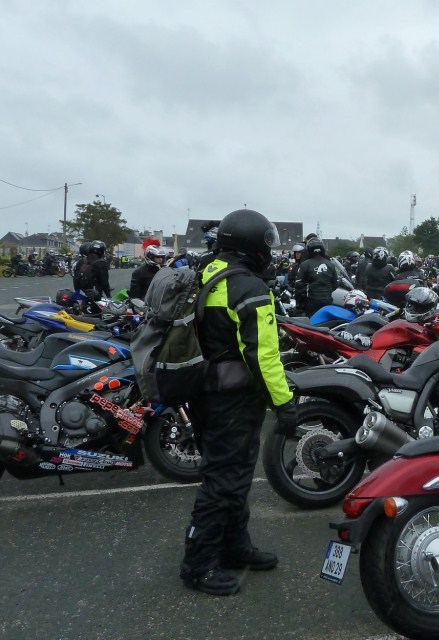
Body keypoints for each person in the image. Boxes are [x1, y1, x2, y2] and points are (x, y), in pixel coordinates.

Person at [180, 208, 294, 596]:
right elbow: (264, 355)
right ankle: (198, 564)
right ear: (252, 245)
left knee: (235, 475)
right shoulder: (249, 288)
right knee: (223, 479)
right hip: (233, 399)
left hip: (206, 392)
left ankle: (234, 547)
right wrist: (285, 404)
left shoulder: (208, 273)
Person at [293, 237, 339, 315]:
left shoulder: (305, 264)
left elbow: (298, 285)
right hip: (327, 300)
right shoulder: (330, 264)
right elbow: (335, 284)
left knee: (312, 323)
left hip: (312, 301)